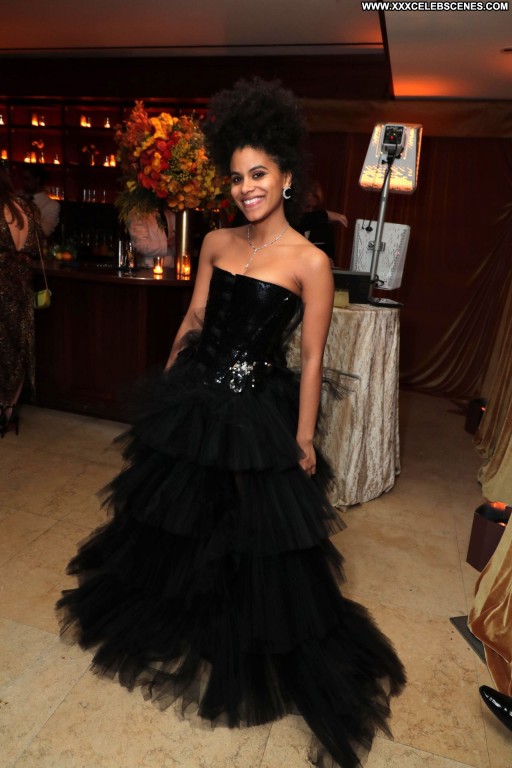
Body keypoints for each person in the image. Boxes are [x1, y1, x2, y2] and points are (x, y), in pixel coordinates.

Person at [57, 79, 405, 768]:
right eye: (238, 177)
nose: (247, 188)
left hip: (254, 405)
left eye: (259, 175)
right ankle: (181, 610)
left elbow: (312, 357)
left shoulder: (310, 261)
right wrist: (166, 388)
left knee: (250, 530)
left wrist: (302, 436)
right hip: (195, 393)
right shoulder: (216, 240)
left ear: (286, 176)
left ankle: (238, 625)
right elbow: (194, 318)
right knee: (177, 519)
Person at [0, 164, 42, 436]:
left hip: (2, 282)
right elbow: (38, 247)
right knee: (19, 344)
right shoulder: (28, 208)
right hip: (23, 284)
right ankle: (10, 409)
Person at [298, 180, 348, 262]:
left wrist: (330, 262)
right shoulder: (290, 224)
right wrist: (326, 214)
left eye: (315, 208)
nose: (311, 211)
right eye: (307, 206)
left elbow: (331, 257)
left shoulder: (325, 228)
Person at [20, 164, 60, 238]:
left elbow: (45, 231)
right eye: (23, 179)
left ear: (37, 179)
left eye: (27, 179)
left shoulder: (52, 205)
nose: (24, 183)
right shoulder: (18, 197)